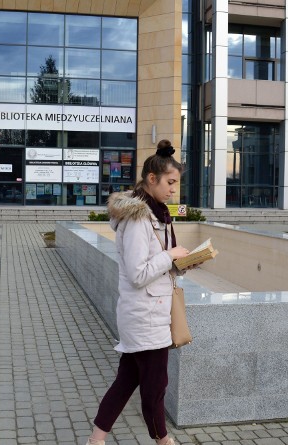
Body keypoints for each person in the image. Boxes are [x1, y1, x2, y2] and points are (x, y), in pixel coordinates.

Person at [85, 140, 190, 445]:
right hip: (145, 316)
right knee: (155, 388)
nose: (173, 190)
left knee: (126, 381)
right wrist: (169, 257)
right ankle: (162, 439)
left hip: (152, 313)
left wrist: (180, 264)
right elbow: (137, 273)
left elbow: (158, 263)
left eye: (176, 184)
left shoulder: (158, 214)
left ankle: (96, 439)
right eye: (170, 183)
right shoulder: (137, 219)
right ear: (151, 179)